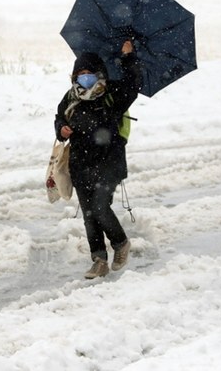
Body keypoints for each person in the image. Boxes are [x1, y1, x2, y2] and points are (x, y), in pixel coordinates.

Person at [54, 40, 142, 279]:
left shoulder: (112, 94)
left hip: (108, 162)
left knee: (101, 208)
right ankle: (99, 259)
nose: (84, 78)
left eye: (88, 73)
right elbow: (59, 117)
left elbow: (133, 85)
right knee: (89, 214)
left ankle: (121, 243)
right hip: (80, 164)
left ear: (98, 73)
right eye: (79, 74)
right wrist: (61, 128)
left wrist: (128, 57)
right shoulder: (71, 97)